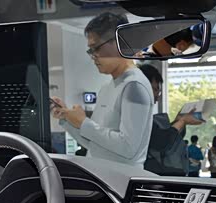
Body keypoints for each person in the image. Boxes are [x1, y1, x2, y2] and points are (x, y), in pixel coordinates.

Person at [51, 12, 154, 168]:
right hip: (101, 176)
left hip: (121, 179)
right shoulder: (107, 88)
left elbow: (128, 148)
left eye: (96, 48)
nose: (93, 56)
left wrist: (84, 123)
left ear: (119, 43)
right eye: (90, 50)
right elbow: (94, 144)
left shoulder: (135, 86)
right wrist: (67, 119)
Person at [139, 64, 202, 176]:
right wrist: (182, 121)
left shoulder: (144, 115)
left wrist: (179, 121)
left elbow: (164, 135)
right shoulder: (136, 115)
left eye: (159, 91)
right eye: (155, 89)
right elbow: (161, 141)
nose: (157, 96)